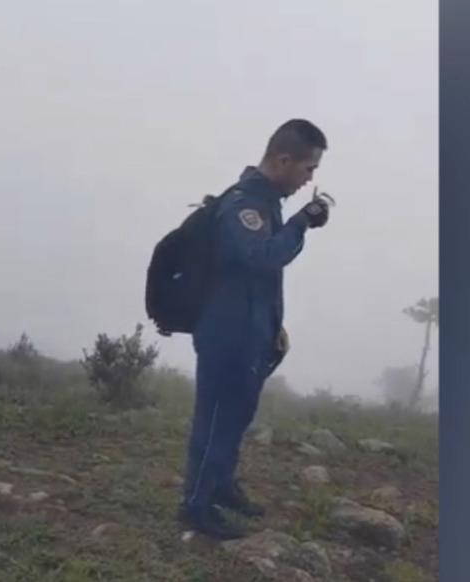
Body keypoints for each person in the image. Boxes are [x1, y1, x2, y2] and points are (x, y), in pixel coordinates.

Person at [178, 119, 331, 540]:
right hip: (227, 333)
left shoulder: (267, 203)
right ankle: (196, 506)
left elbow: (259, 281)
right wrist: (301, 223)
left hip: (250, 329)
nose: (309, 180)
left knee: (237, 416)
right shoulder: (242, 205)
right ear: (283, 160)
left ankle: (221, 486)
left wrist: (273, 326)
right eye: (308, 169)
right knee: (216, 420)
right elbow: (261, 258)